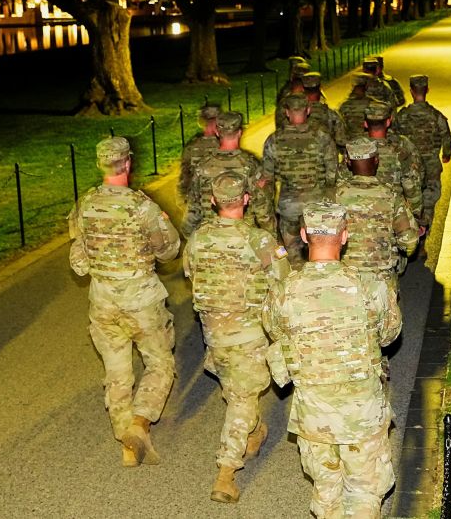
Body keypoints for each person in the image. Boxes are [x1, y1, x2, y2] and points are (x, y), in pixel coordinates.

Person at [263, 202, 401, 519]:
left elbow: (275, 331)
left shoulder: (283, 292)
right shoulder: (371, 287)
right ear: (344, 236)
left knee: (327, 493)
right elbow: (389, 335)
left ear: (303, 235)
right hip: (362, 412)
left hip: (313, 417)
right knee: (364, 494)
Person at [68, 136, 180, 467]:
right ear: (127, 163)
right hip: (141, 300)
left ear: (100, 164)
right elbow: (170, 250)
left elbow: (78, 259)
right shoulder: (142, 207)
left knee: (116, 370)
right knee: (160, 363)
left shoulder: (84, 204)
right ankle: (139, 423)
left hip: (102, 300)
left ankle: (124, 438)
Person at [183, 170, 290, 503]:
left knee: (239, 393)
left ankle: (254, 431)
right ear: (246, 199)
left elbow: (190, 274)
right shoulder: (260, 240)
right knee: (242, 397)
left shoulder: (197, 239)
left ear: (214, 201)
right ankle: (226, 473)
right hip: (249, 335)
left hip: (214, 334)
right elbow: (283, 280)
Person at [262, 93, 338, 269]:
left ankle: (296, 283)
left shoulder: (274, 140)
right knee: (318, 252)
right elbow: (332, 173)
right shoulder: (322, 137)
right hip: (316, 207)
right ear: (308, 110)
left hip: (289, 208)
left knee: (292, 254)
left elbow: (267, 179)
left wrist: (269, 210)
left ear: (287, 113)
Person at [336, 137, 419, 294]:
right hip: (382, 281)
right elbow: (410, 242)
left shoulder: (335, 196)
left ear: (347, 161)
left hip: (344, 281)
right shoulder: (391, 196)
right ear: (376, 160)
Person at [182, 110, 275, 237]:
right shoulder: (251, 165)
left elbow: (193, 209)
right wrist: (272, 241)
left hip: (212, 237)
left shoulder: (202, 166)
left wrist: (191, 238)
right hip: (244, 237)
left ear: (217, 132)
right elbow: (263, 211)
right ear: (240, 132)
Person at [348, 100, 424, 234]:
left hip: (357, 214)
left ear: (365, 123)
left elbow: (340, 181)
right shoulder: (402, 146)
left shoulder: (355, 148)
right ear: (388, 122)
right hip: (393, 214)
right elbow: (412, 186)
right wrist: (416, 217)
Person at [393, 74, 451, 244]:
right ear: (427, 90)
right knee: (428, 202)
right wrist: (446, 154)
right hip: (431, 165)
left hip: (408, 165)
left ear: (411, 91)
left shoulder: (402, 116)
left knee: (408, 199)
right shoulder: (436, 115)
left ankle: (409, 234)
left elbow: (394, 138)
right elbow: (446, 137)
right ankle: (424, 234)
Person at [179, 102, 224, 200]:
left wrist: (185, 201)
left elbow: (184, 179)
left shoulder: (192, 145)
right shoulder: (226, 143)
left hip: (199, 201)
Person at [302, 72, 344, 147]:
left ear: (303, 90)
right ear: (320, 89)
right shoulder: (331, 114)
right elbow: (341, 140)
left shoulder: (295, 115)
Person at [337, 72, 373, 144]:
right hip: (369, 143)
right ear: (366, 86)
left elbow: (339, 129)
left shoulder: (344, 105)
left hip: (351, 144)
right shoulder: (372, 104)